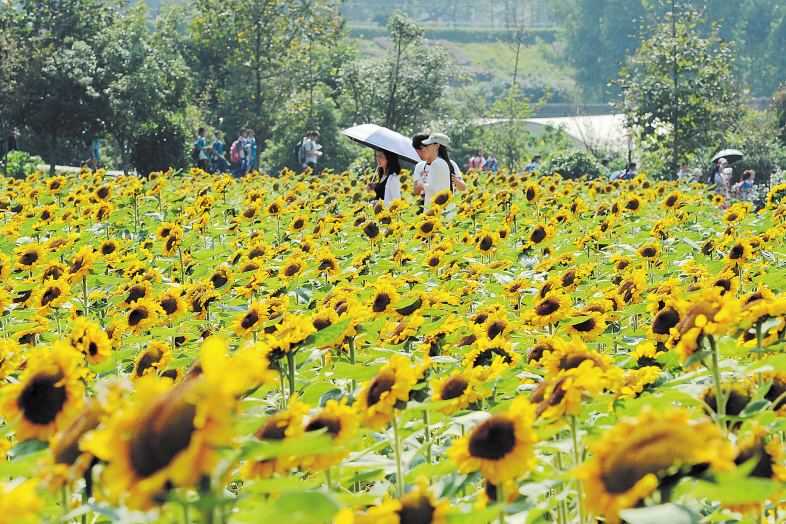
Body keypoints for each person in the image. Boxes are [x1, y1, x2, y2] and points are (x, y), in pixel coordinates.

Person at [411, 133, 466, 206]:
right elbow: (416, 191)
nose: (419, 154)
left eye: (421, 151)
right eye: (416, 151)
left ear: (436, 146)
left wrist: (456, 181)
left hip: (445, 205)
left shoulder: (449, 164)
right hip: (427, 203)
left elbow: (463, 187)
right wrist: (426, 183)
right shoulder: (420, 166)